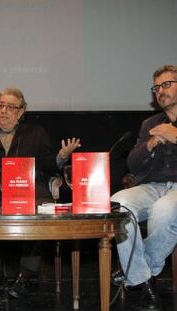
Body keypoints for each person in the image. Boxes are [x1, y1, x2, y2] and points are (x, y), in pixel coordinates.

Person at [0, 87, 80, 299]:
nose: (3, 111)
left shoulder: (35, 133)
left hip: (28, 192)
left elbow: (47, 163)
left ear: (21, 111)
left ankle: (26, 276)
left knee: (38, 213)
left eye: (10, 107)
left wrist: (61, 156)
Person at [111, 65, 177, 311]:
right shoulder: (150, 122)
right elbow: (132, 164)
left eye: (167, 84)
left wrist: (174, 135)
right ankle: (143, 275)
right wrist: (150, 143)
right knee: (117, 204)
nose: (160, 91)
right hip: (151, 185)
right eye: (156, 87)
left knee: (164, 210)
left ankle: (135, 271)